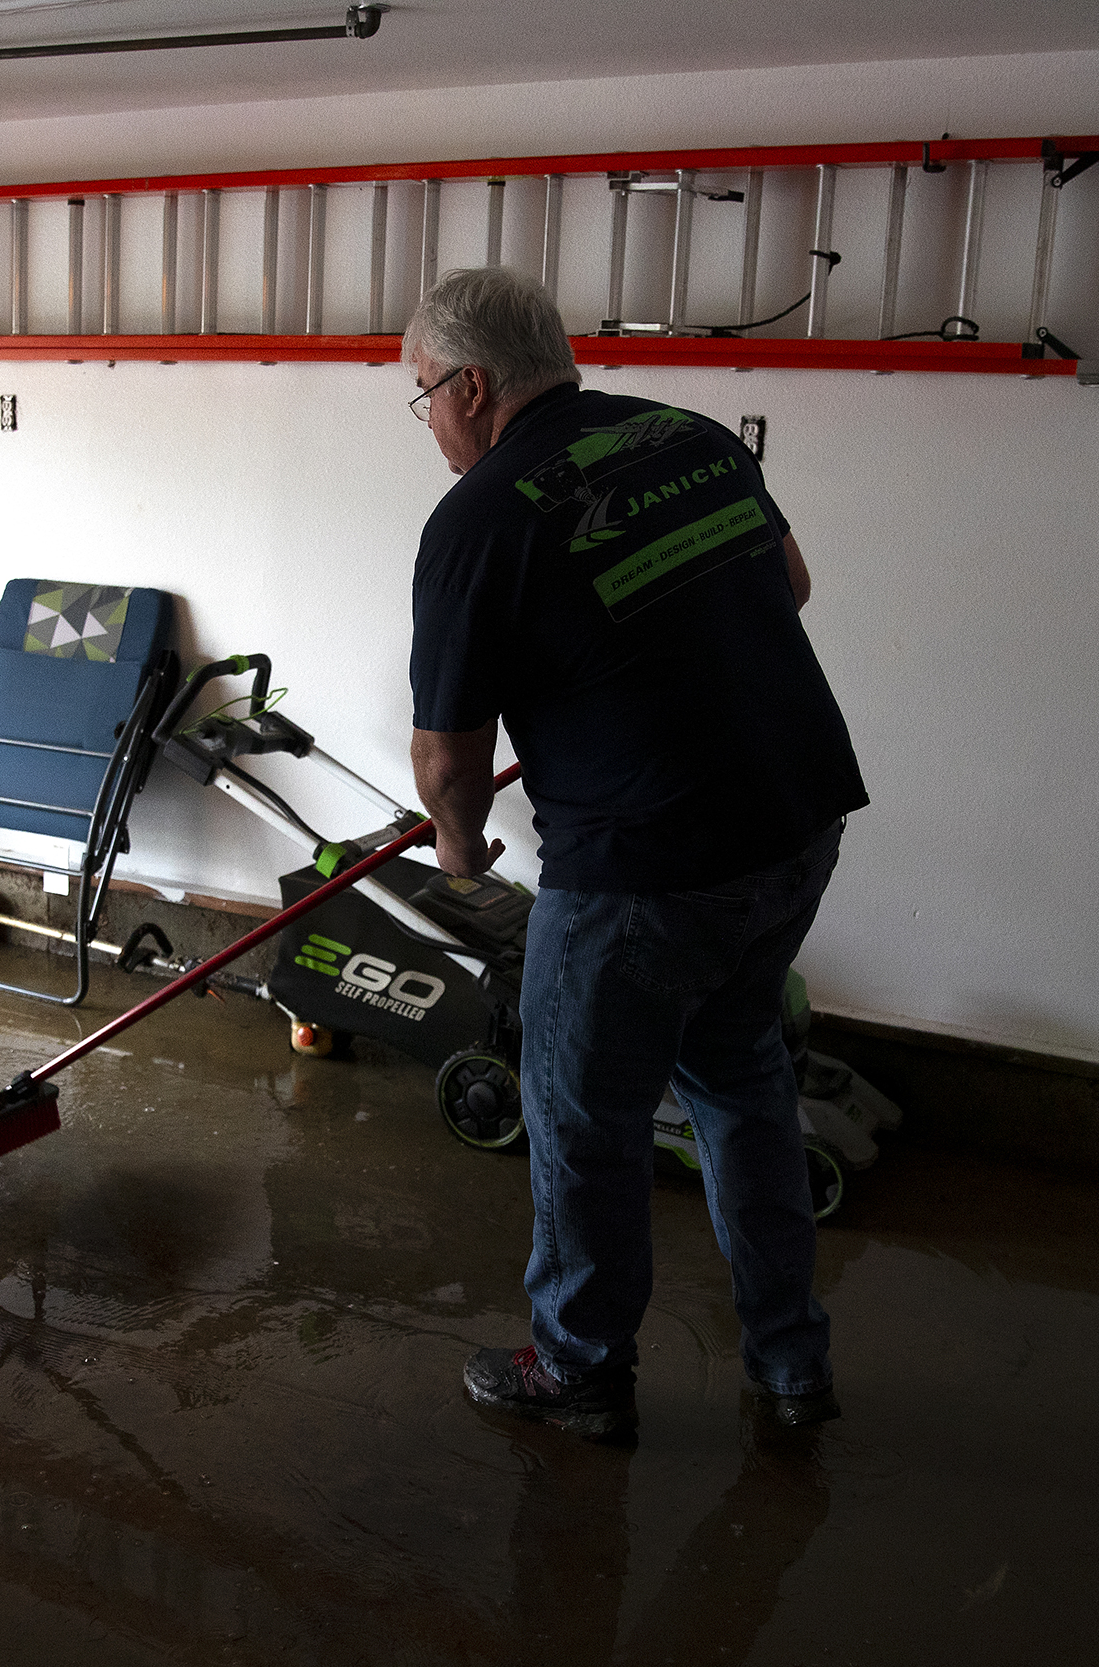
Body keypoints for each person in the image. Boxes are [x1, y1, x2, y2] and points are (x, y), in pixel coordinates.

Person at [402, 267, 868, 1442]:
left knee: (581, 1117)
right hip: (798, 819)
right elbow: (789, 585)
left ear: (472, 384)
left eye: (423, 397)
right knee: (738, 1075)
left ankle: (579, 1369)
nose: (429, 424)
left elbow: (450, 761)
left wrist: (460, 857)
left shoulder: (480, 515)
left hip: (643, 869)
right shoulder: (689, 435)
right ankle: (789, 1361)